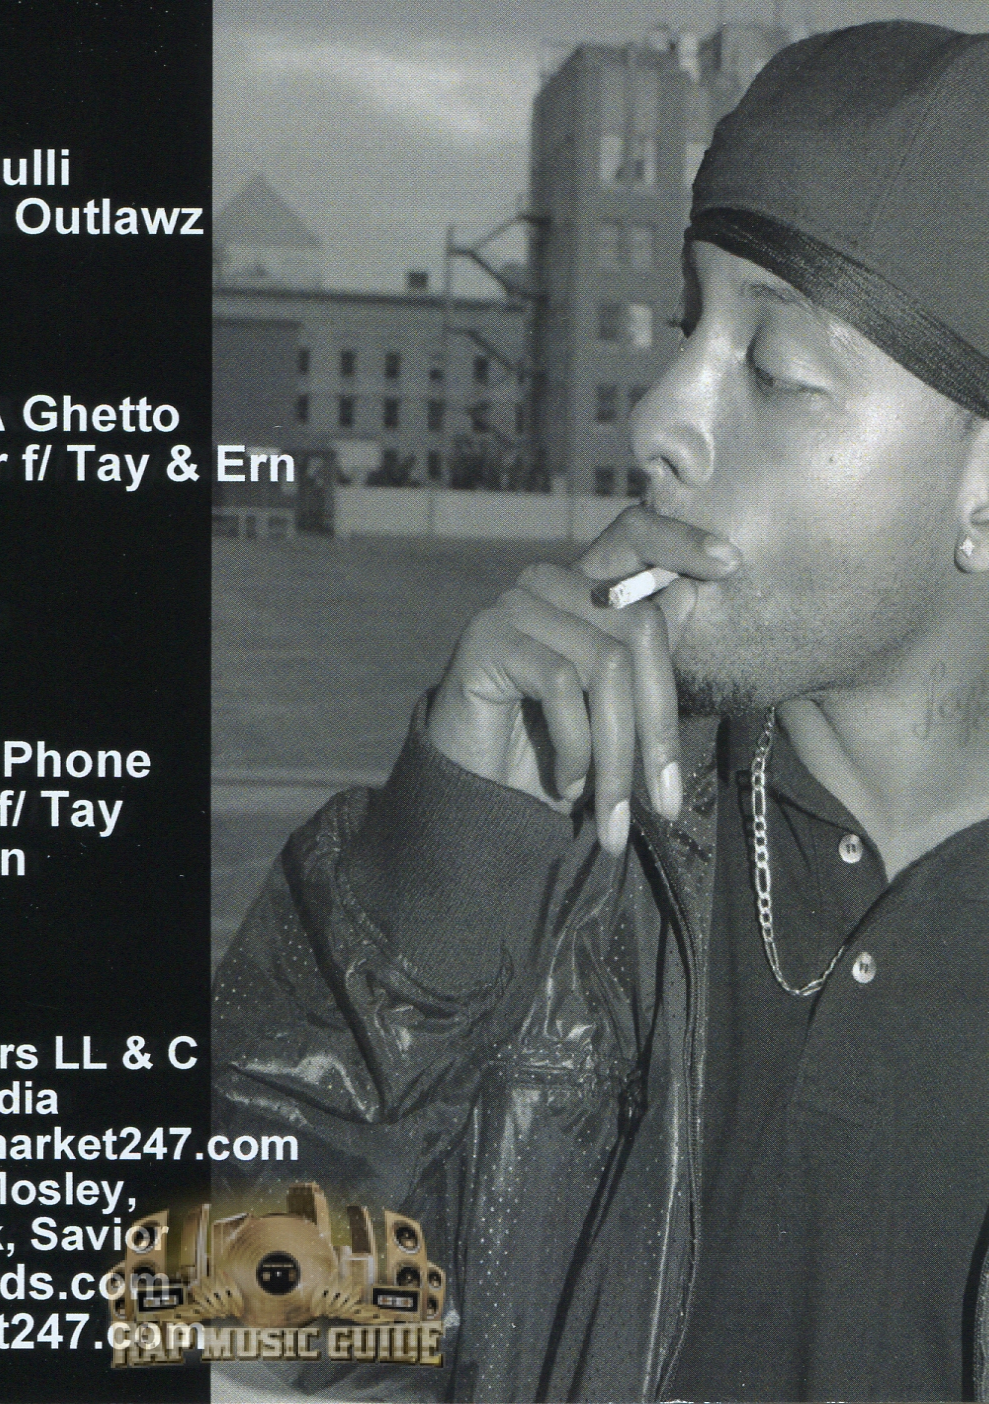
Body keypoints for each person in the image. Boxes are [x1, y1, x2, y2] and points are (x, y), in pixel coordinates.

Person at [213, 20, 989, 1403]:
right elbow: (231, 1335)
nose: (658, 419)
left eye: (775, 371)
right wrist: (438, 875)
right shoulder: (563, 879)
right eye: (692, 328)